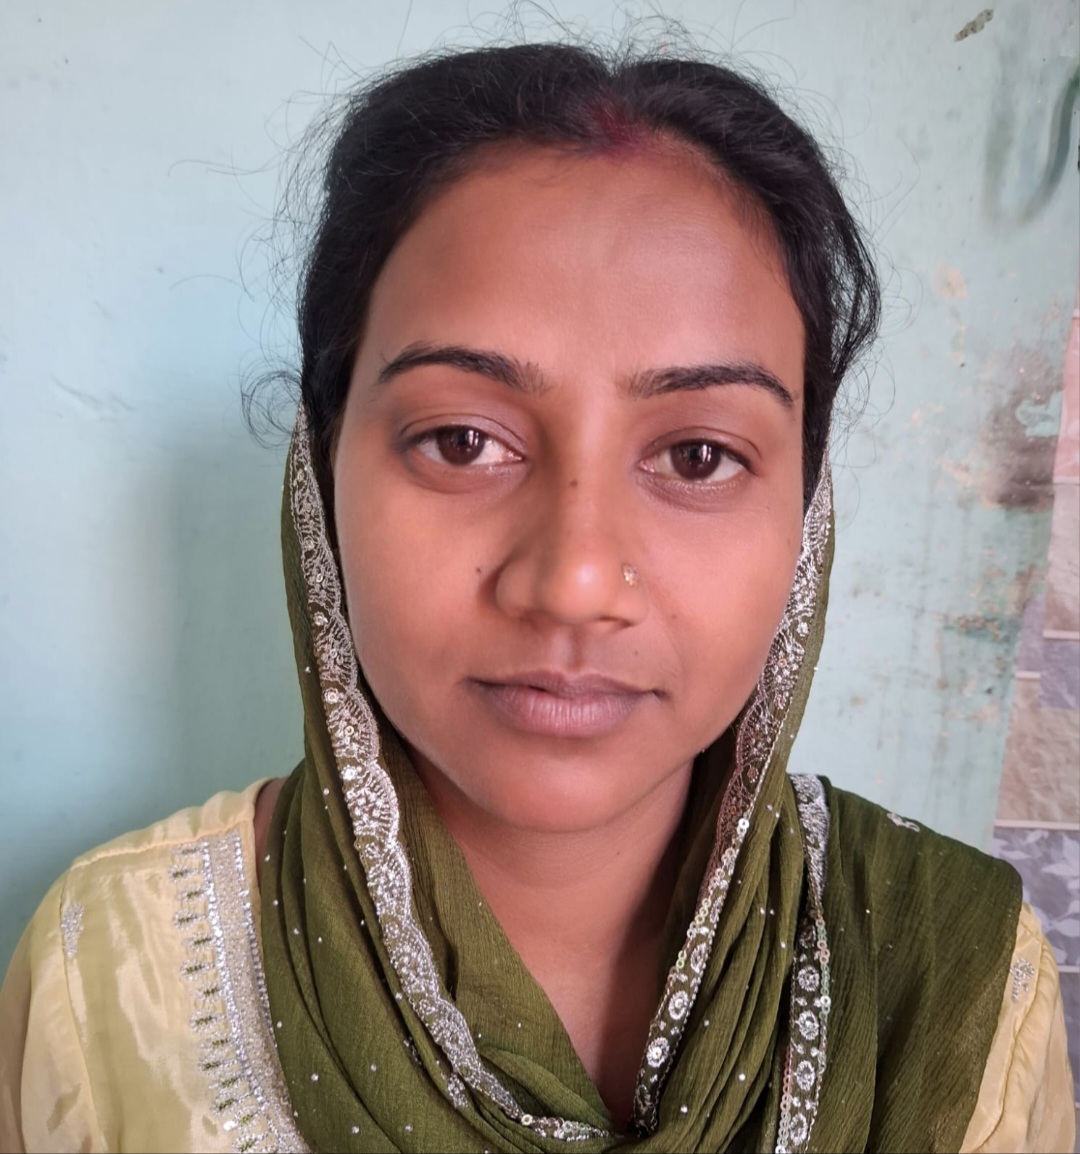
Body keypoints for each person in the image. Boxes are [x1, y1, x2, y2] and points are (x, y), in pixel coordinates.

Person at [0, 41, 1073, 1154]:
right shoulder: (109, 985)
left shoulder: (966, 986)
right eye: (462, 441)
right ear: (322, 470)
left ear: (806, 510)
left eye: (699, 456)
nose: (572, 581)